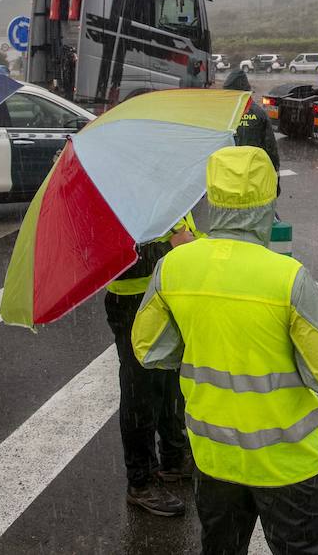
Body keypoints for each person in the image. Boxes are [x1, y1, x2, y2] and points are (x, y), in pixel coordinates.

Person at [134, 147, 318, 555]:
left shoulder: (175, 267)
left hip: (215, 458)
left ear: (212, 198)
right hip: (286, 464)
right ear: (268, 200)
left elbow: (148, 348)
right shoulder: (288, 279)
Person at [106, 216, 197, 517]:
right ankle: (141, 480)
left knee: (170, 380)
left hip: (167, 292)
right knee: (140, 392)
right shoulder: (112, 189)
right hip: (133, 301)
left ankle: (174, 455)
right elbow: (112, 257)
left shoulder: (154, 179)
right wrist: (169, 247)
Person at [223, 69, 280, 174]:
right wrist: (275, 173)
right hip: (253, 173)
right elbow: (270, 147)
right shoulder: (259, 113)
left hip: (227, 175)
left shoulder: (221, 114)